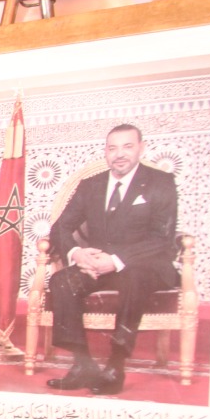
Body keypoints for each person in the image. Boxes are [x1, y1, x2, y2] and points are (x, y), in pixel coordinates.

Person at [45, 124, 179, 395]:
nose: (119, 154)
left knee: (133, 278)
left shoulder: (161, 182)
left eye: (127, 146)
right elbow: (60, 228)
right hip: (98, 265)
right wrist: (77, 254)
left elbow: (162, 239)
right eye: (112, 148)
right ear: (105, 152)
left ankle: (115, 366)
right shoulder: (90, 186)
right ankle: (83, 365)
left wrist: (116, 260)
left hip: (145, 266)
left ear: (141, 148)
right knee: (61, 280)